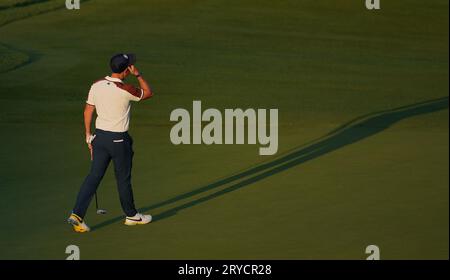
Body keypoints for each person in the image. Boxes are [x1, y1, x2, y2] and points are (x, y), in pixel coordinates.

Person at [67, 53, 153, 233]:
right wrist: (138, 74)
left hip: (99, 138)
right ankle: (131, 216)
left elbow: (88, 110)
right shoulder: (126, 89)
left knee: (94, 176)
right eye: (130, 65)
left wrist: (88, 136)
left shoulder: (97, 85)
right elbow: (148, 93)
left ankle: (77, 214)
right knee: (123, 179)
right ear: (125, 70)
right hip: (119, 141)